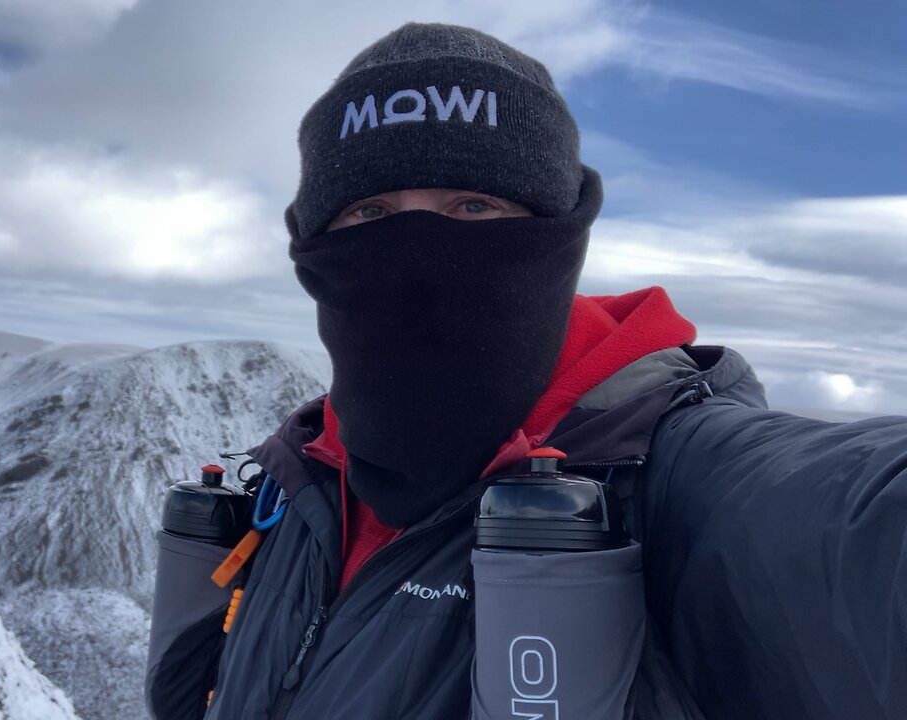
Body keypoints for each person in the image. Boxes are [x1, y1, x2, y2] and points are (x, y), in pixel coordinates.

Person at [146, 22, 906, 720]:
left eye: (474, 205)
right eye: (370, 214)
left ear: (558, 239)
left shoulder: (674, 484)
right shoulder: (295, 485)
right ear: (316, 242)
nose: (418, 246)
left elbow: (859, 524)